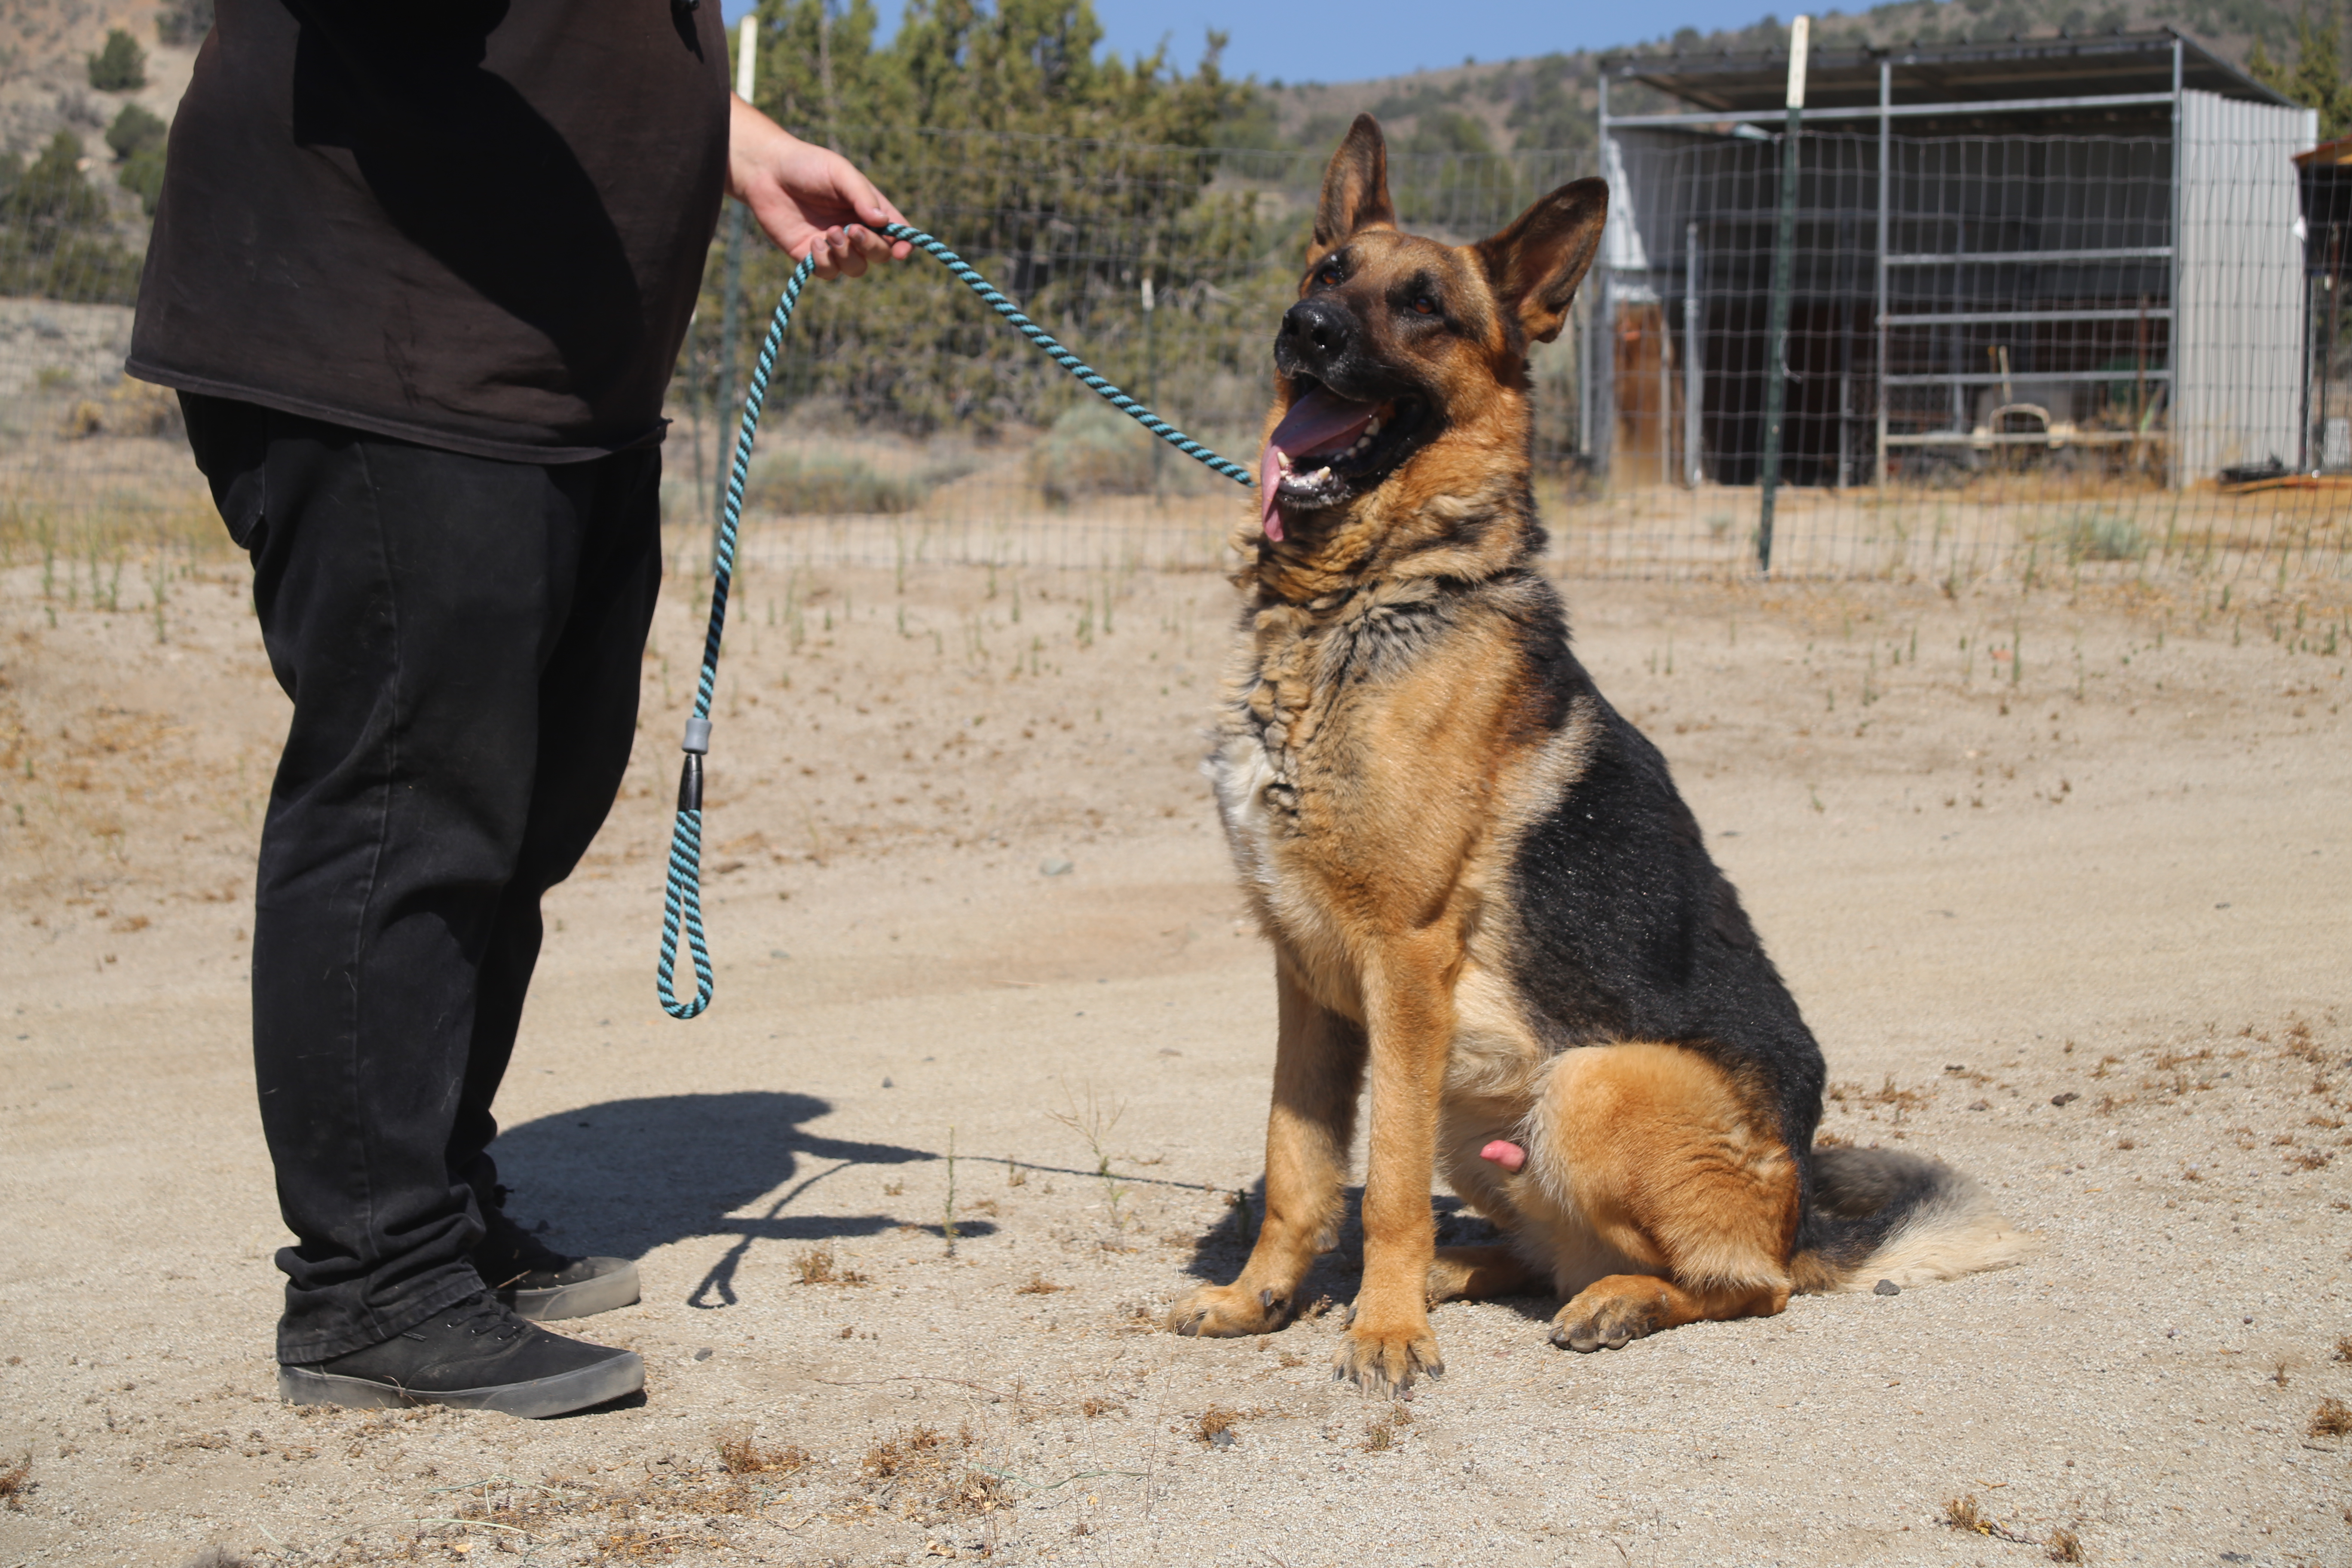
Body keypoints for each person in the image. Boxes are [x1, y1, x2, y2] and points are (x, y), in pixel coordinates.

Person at [127, 0, 908, 1419]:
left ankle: (435, 1204)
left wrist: (728, 141)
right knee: (407, 808)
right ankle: (371, 1285)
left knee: (523, 811)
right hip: (381, 340)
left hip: (554, 381)